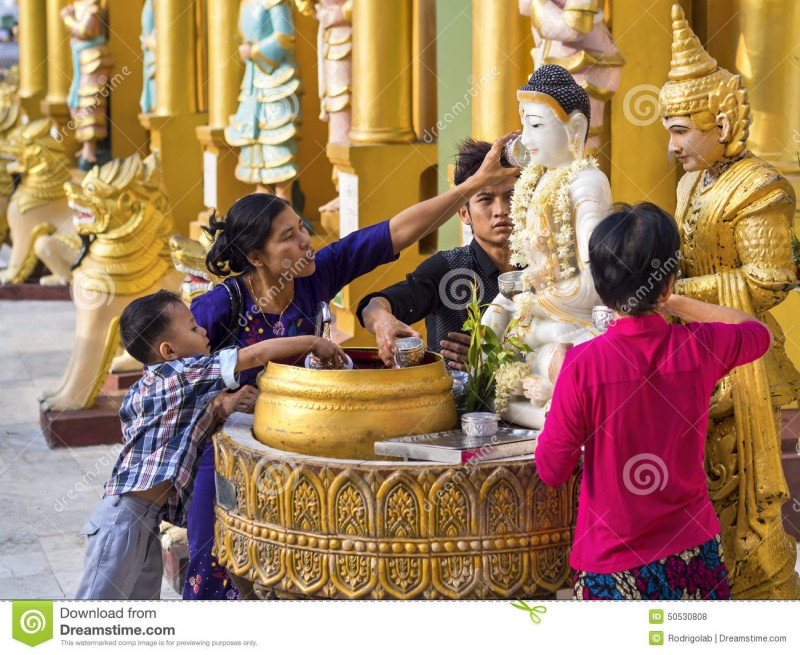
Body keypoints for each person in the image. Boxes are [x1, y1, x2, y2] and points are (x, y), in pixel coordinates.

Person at [186, 134, 520, 599]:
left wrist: (473, 186)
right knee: (215, 564)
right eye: (289, 237)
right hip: (230, 451)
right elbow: (170, 373)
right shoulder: (222, 305)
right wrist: (222, 401)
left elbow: (395, 232)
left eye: (303, 227)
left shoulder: (316, 273)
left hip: (295, 446)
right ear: (255, 257)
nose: (306, 240)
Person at [535, 202, 774, 600]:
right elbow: (754, 331)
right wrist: (673, 301)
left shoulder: (581, 367)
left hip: (613, 566)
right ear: (667, 281)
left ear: (597, 281)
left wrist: (561, 385)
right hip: (695, 554)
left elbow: (551, 469)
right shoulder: (699, 348)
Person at [659, 4, 800, 598]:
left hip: (747, 369)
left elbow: (769, 280)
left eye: (680, 129)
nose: (672, 147)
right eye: (667, 129)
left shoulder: (758, 187)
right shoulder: (694, 182)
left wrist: (676, 294)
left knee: (753, 521)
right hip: (696, 361)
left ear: (721, 121)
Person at [75, 291, 344, 600]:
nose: (203, 331)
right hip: (123, 518)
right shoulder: (181, 374)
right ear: (169, 350)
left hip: (144, 519)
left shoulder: (157, 383)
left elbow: (187, 423)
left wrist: (223, 405)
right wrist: (313, 342)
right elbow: (256, 353)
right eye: (192, 328)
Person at [357, 139, 518, 369]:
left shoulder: (543, 267)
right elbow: (372, 307)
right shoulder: (447, 268)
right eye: (486, 199)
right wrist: (383, 321)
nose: (501, 210)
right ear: (464, 213)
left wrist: (489, 356)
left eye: (510, 197)